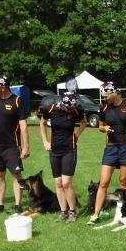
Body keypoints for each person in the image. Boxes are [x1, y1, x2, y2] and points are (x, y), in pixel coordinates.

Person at [88, 82, 126, 224]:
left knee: (123, 181)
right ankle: (95, 215)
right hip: (110, 148)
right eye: (103, 96)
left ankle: (123, 212)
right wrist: (104, 129)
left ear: (114, 92)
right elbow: (100, 126)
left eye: (106, 96)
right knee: (104, 182)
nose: (105, 98)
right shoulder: (104, 107)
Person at [0, 74, 29, 215]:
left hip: (12, 146)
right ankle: (0, 205)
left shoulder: (16, 101)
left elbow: (23, 125)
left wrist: (26, 146)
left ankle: (17, 205)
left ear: (3, 87)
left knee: (16, 174)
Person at [40, 91, 87, 222]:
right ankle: (63, 212)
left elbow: (84, 122)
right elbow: (42, 123)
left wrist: (76, 135)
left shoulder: (76, 110)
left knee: (66, 183)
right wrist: (45, 141)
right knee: (58, 183)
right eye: (69, 108)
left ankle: (72, 211)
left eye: (72, 108)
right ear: (63, 103)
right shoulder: (50, 108)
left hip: (69, 150)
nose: (71, 110)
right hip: (54, 150)